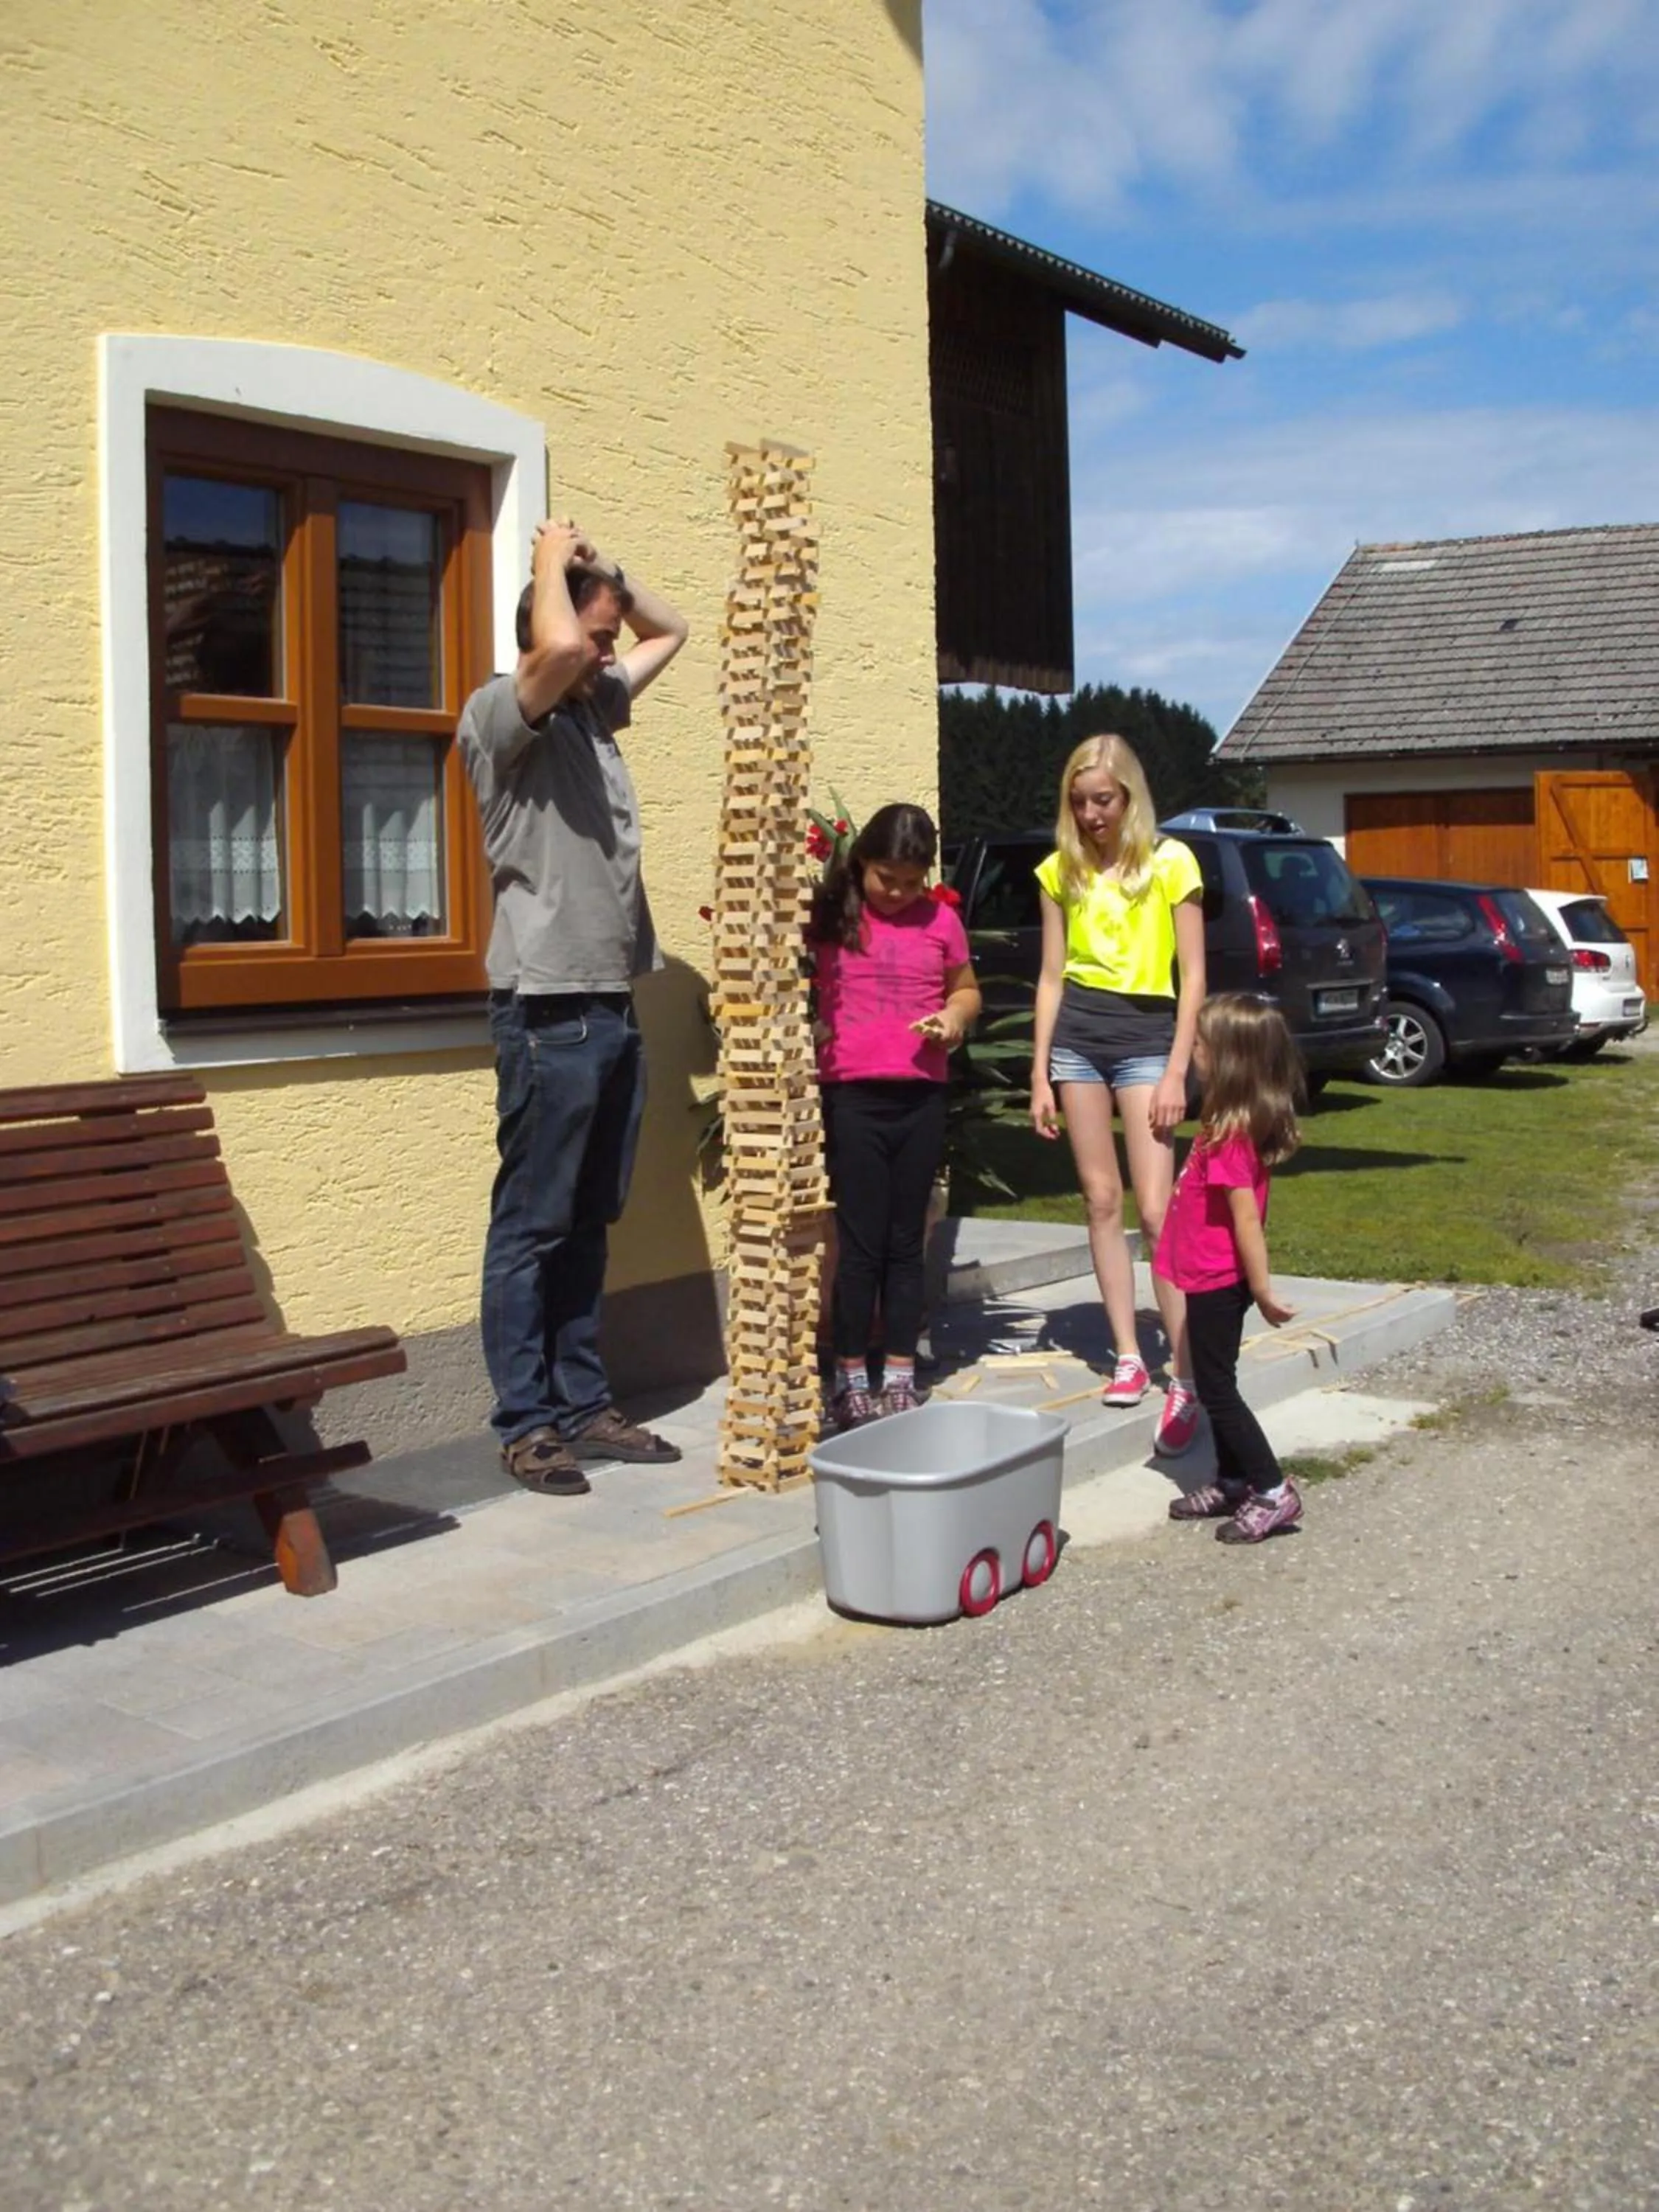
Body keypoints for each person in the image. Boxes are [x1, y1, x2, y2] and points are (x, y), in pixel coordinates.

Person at [459, 516, 689, 1497]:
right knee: (533, 1222)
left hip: (609, 1002)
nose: (604, 654)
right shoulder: (502, 713)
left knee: (590, 1216)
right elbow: (556, 644)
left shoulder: (592, 710)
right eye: (596, 637)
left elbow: (670, 631)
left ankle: (583, 1401)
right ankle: (527, 1423)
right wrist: (552, 554)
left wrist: (609, 573)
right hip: (546, 1007)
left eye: (603, 640)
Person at [1029, 734, 1206, 1450]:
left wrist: (1176, 1070)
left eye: (1103, 800)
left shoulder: (1172, 863)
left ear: (1129, 795)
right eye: (1080, 802)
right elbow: (1050, 976)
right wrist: (1040, 1071)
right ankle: (1129, 1355)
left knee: (1159, 1211)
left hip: (1146, 1039)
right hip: (1078, 1038)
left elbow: (1193, 975)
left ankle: (1188, 1377)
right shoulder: (1059, 870)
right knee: (1101, 1200)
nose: (1092, 814)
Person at [810, 804, 981, 1428]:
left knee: (907, 1242)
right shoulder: (833, 916)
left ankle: (902, 1371)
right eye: (888, 878)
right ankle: (851, 1374)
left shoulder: (942, 920)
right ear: (861, 864)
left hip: (920, 1095)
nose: (900, 893)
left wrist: (955, 1019)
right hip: (853, 1095)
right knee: (859, 1245)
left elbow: (965, 988)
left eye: (913, 882)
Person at [1154, 992, 1304, 1543]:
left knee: (1219, 1389)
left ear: (1227, 1058)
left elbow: (1247, 1222)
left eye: (1199, 1044)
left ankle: (1272, 1490)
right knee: (1215, 1384)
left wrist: (1262, 1290)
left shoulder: (1233, 1136)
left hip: (1222, 1280)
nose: (1191, 1051)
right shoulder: (1223, 1120)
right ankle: (1233, 1480)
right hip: (1206, 1274)